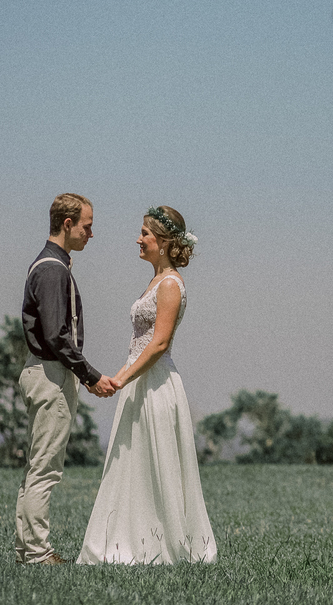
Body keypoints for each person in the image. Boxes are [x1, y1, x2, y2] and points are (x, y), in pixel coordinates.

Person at [77, 206, 217, 565]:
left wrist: (122, 378)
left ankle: (163, 546)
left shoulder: (170, 284)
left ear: (165, 242)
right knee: (131, 460)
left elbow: (158, 344)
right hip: (137, 381)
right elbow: (139, 343)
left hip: (156, 385)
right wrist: (113, 378)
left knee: (158, 462)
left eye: (145, 234)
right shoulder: (154, 282)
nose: (138, 239)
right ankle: (129, 540)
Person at [16, 193, 118, 566]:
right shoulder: (52, 269)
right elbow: (58, 335)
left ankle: (27, 550)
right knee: (45, 468)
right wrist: (90, 375)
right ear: (68, 224)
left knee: (38, 465)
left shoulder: (53, 265)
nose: (92, 234)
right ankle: (38, 554)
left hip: (44, 370)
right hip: (50, 374)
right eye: (88, 226)